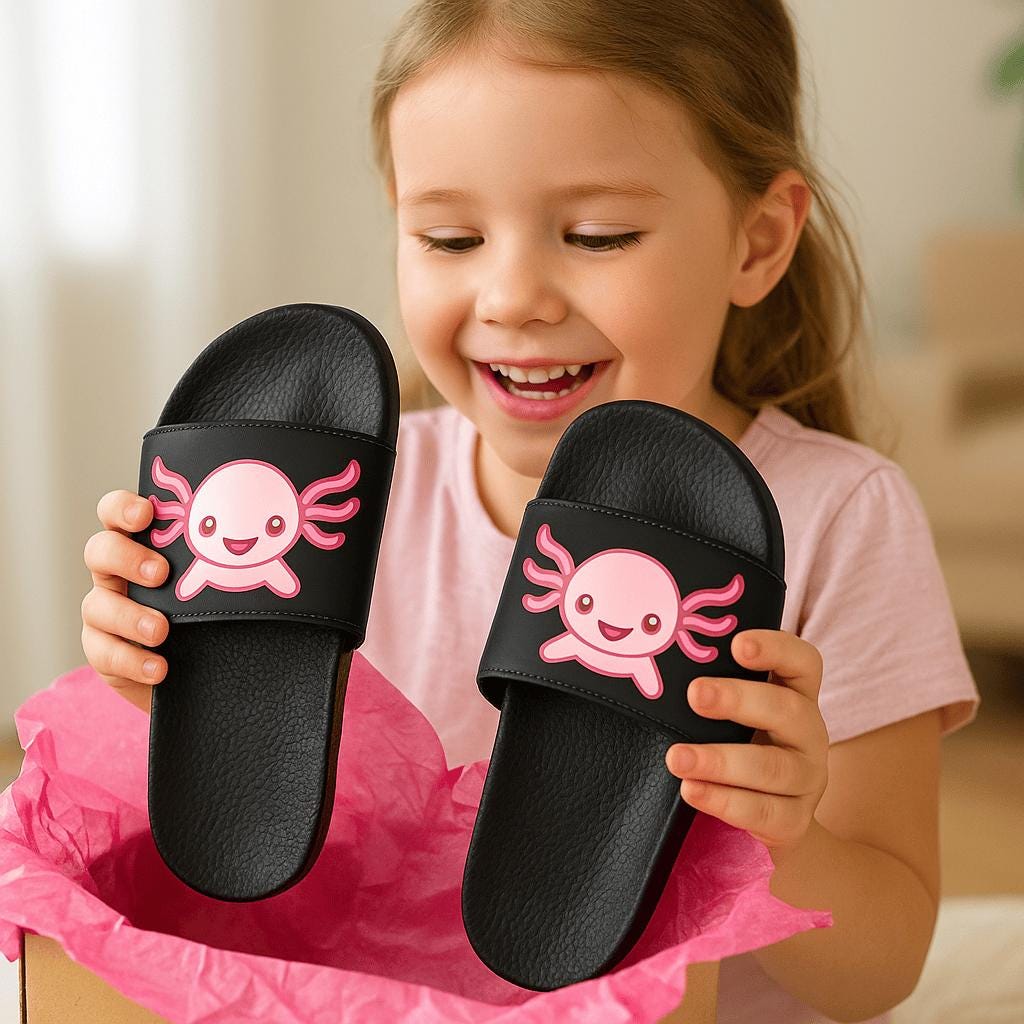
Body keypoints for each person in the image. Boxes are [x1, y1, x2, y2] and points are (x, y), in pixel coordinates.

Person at [80, 2, 981, 1020]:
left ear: (756, 241)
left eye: (597, 236)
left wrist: (786, 835)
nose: (511, 297)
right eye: (450, 237)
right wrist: (163, 681)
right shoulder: (354, 498)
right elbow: (272, 862)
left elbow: (882, 971)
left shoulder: (841, 515)